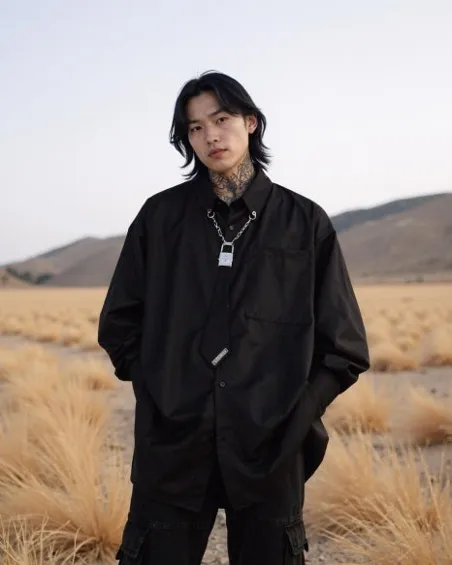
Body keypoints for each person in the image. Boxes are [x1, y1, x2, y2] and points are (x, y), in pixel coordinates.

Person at [98, 70, 370, 565]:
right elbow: (119, 323)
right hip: (172, 448)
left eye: (221, 119)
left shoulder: (304, 223)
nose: (210, 135)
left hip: (273, 449)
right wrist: (161, 390)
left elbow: (344, 347)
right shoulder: (160, 218)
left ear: (251, 123)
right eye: (195, 128)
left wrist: (297, 416)